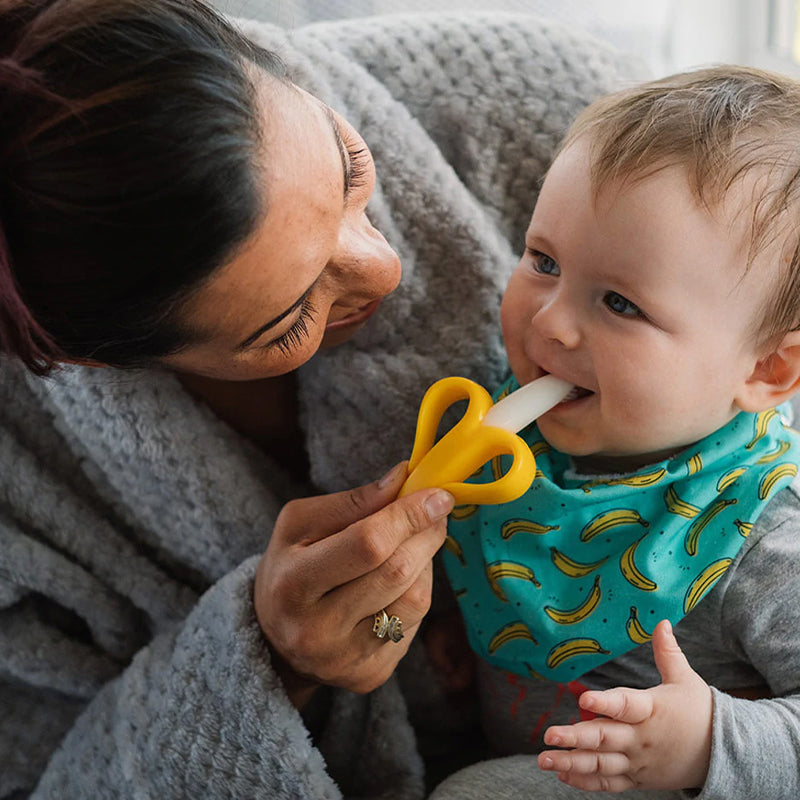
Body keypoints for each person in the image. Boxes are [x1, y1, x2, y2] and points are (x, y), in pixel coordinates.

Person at [0, 1, 640, 797]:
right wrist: (274, 661)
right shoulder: (20, 483)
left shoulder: (561, 112)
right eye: (288, 317)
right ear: (99, 361)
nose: (386, 269)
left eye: (350, 166)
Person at [429, 66, 800, 800]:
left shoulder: (763, 542)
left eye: (620, 304)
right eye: (544, 262)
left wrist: (706, 745)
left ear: (765, 370)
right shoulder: (504, 438)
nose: (550, 322)